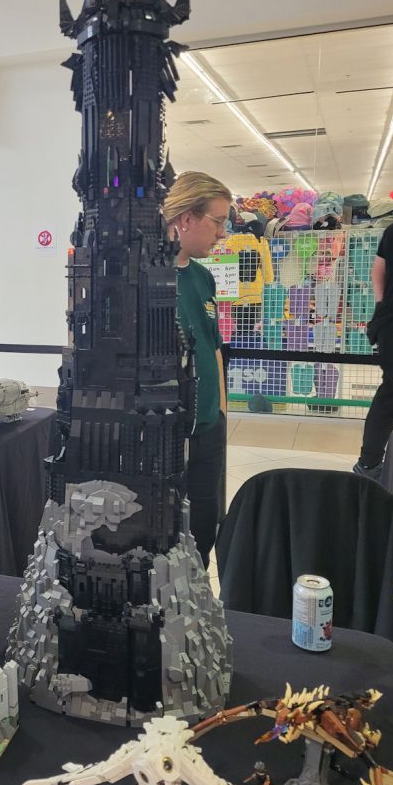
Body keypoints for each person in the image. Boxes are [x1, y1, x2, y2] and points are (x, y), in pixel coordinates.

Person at [163, 172, 232, 568]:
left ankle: (198, 596)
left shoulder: (203, 278)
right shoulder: (144, 278)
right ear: (186, 218)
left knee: (204, 528)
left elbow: (213, 346)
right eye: (217, 221)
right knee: (164, 532)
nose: (222, 233)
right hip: (166, 435)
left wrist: (220, 411)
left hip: (208, 428)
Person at [354, 211, 393, 480]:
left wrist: (384, 305)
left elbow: (377, 272)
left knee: (391, 394)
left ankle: (368, 465)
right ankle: (368, 465)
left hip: (388, 325)